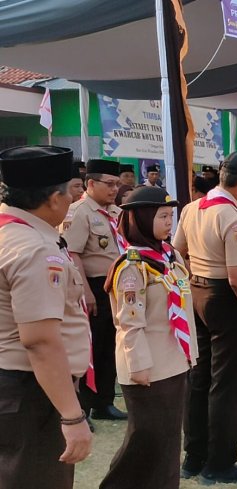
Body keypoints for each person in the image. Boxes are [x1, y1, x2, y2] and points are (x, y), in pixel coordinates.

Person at [172, 151, 237, 484]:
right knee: (227, 385)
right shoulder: (231, 215)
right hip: (225, 298)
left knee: (200, 378)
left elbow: (178, 250)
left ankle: (194, 456)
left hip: (198, 293)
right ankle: (219, 463)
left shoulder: (192, 208)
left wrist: (196, 278)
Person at [0, 146, 92, 489]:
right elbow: (40, 341)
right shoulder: (34, 248)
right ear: (54, 199)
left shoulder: (9, 230)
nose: (73, 198)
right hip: (32, 391)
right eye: (70, 192)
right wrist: (72, 416)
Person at [99, 186, 198, 489]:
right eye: (163, 216)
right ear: (141, 219)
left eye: (171, 216)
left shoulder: (170, 255)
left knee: (167, 442)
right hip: (149, 366)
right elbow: (129, 323)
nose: (170, 222)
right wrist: (139, 366)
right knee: (148, 440)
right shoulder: (132, 266)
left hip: (174, 359)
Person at [62, 159, 128, 426]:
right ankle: (82, 408)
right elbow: (73, 254)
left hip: (115, 287)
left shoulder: (114, 212)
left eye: (117, 184)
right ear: (90, 184)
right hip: (93, 287)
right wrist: (86, 292)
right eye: (109, 184)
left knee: (111, 347)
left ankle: (104, 402)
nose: (114, 189)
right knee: (89, 349)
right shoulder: (79, 212)